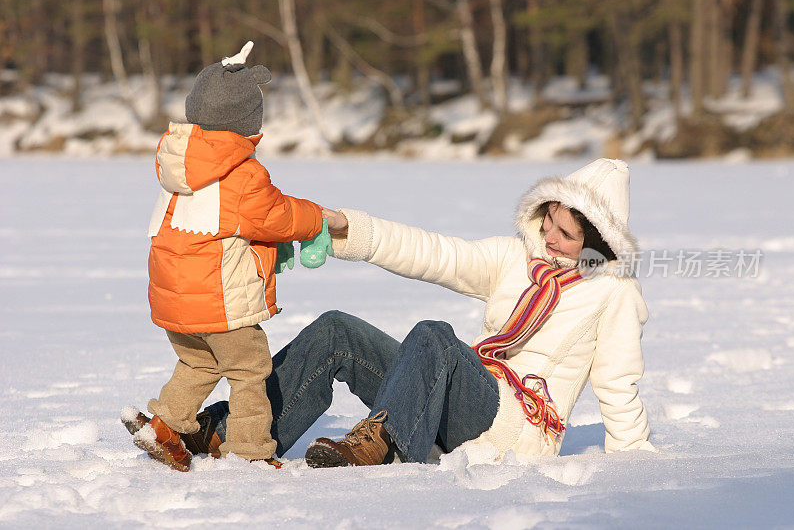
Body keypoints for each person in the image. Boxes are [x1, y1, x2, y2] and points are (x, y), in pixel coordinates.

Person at [133, 157, 658, 468]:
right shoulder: (512, 258)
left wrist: (633, 459)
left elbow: (618, 384)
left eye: (566, 235)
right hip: (463, 389)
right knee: (337, 330)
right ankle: (231, 434)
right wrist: (347, 230)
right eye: (549, 222)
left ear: (598, 244)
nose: (549, 237)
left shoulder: (611, 295)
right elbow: (434, 254)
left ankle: (381, 444)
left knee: (434, 335)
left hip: (512, 425)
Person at [122, 42, 332, 471]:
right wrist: (319, 218)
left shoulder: (178, 165)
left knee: (197, 360)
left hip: (172, 300)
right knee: (249, 371)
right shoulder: (240, 174)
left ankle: (164, 425)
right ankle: (250, 452)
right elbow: (277, 216)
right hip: (220, 303)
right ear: (248, 122)